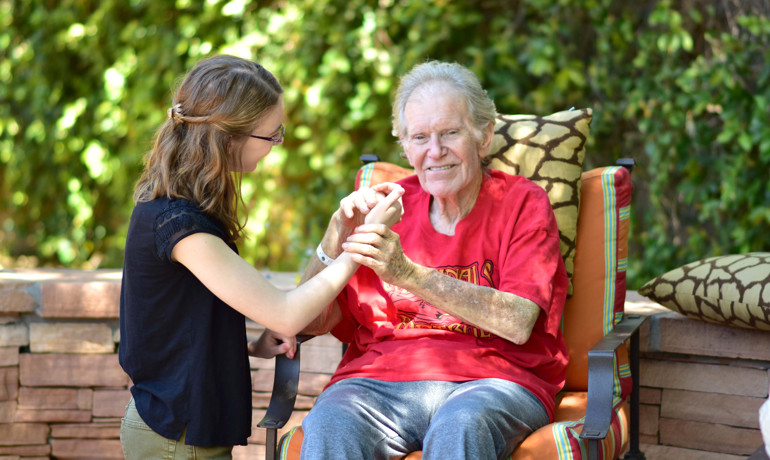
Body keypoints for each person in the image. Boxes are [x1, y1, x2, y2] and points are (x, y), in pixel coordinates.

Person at [118, 54, 404, 460]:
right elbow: (285, 314)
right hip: (175, 440)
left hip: (180, 432)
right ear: (228, 138)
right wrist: (366, 242)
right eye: (271, 135)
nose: (277, 144)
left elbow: (182, 321)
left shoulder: (179, 211)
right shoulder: (178, 226)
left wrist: (253, 345)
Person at [298, 60, 569, 460]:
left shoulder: (523, 204)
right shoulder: (386, 207)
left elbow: (517, 322)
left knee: (460, 423)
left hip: (493, 382)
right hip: (377, 384)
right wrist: (334, 235)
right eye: (420, 137)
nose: (435, 151)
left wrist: (407, 273)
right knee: (329, 422)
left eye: (450, 133)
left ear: (484, 136)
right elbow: (307, 323)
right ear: (405, 145)